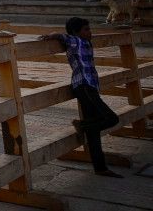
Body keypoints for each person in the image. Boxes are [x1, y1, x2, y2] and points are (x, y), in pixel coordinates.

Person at [39, 17, 123, 178]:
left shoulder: (86, 42)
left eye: (89, 29)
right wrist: (53, 35)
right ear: (76, 32)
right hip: (83, 86)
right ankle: (83, 125)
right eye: (86, 29)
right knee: (111, 118)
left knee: (95, 130)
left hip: (90, 86)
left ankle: (100, 167)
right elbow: (63, 36)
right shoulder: (75, 41)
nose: (89, 32)